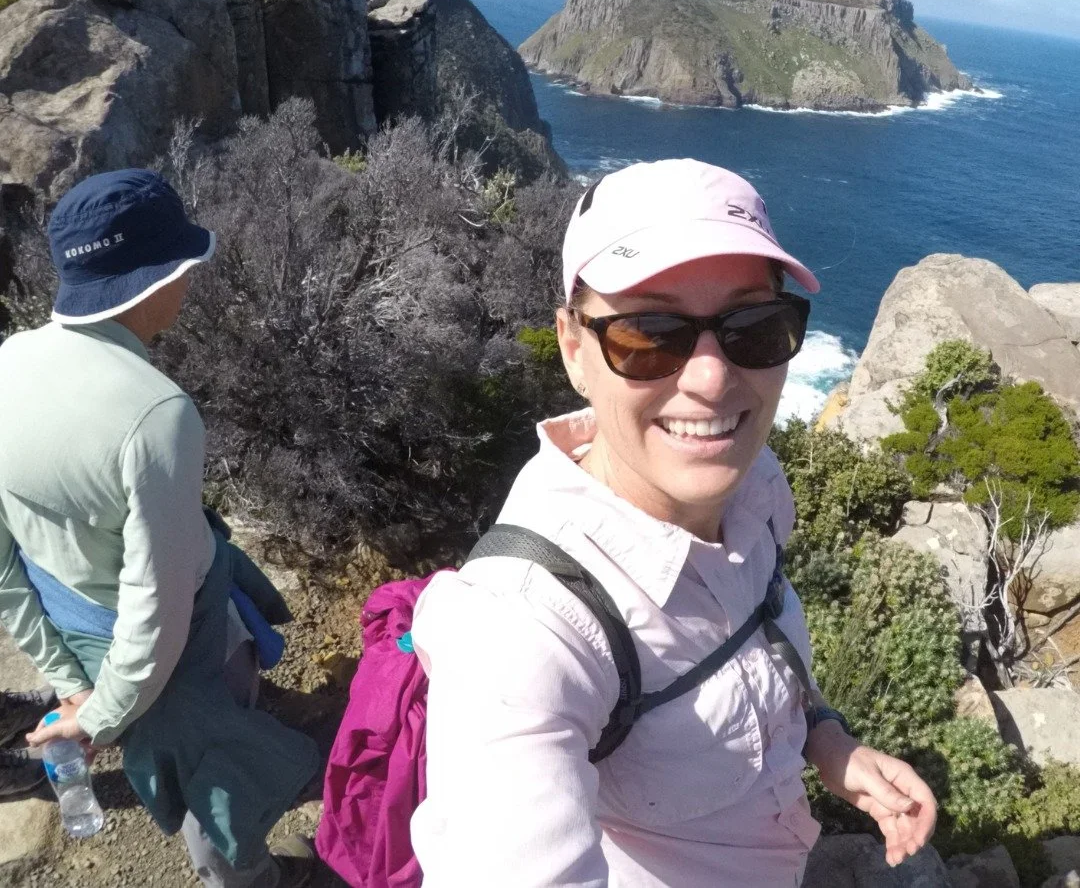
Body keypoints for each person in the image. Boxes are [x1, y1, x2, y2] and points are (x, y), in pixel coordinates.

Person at [410, 159, 937, 887]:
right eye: (649, 332)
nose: (713, 377)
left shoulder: (756, 486)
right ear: (573, 348)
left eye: (754, 326)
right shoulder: (525, 629)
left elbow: (755, 635)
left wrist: (825, 740)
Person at [0, 169, 320, 887]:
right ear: (151, 279)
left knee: (189, 761)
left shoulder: (8, 362)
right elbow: (159, 603)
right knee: (212, 773)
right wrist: (104, 713)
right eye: (186, 267)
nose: (191, 282)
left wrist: (67, 680)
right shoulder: (156, 414)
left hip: (78, 630)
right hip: (175, 647)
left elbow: (3, 564)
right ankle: (248, 878)